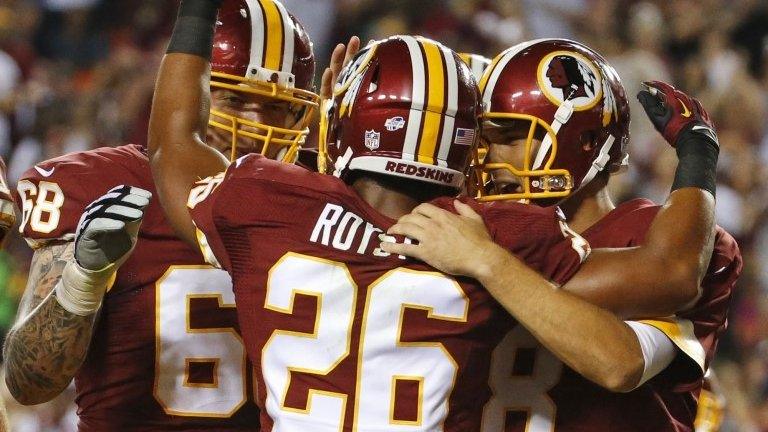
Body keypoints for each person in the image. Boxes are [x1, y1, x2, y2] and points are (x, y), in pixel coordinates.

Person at [148, 2, 720, 428]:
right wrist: (696, 156)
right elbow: (667, 275)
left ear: (339, 125)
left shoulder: (266, 203)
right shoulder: (495, 235)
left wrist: (198, 11)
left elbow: (172, 146)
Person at [383, 39, 740, 431]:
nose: (488, 157)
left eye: (510, 136)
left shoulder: (667, 239)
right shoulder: (478, 225)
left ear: (583, 142)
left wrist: (488, 263)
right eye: (483, 140)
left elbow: (620, 361)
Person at [2, 0, 322, 429]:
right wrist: (83, 280)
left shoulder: (314, 199)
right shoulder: (108, 187)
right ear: (188, 92)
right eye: (234, 99)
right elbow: (29, 381)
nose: (256, 124)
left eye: (276, 106)